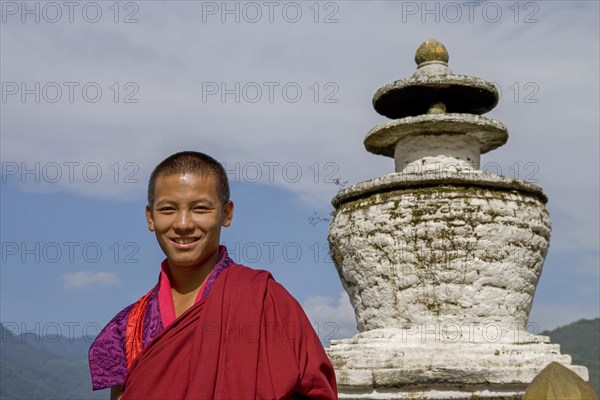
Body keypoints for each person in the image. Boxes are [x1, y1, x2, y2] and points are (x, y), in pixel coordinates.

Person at [88, 151, 337, 400]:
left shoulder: (265, 301)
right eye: (168, 209)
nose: (183, 223)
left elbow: (315, 391)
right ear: (150, 217)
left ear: (226, 214)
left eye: (200, 208)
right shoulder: (127, 327)